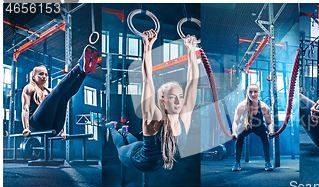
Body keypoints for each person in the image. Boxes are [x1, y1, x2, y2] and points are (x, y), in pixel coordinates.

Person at [107, 30, 199, 172]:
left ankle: (125, 131)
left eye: (180, 96)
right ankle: (113, 128)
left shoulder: (184, 118)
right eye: (172, 97)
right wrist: (147, 47)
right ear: (162, 101)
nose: (178, 101)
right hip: (134, 158)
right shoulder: (154, 119)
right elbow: (147, 79)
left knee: (134, 140)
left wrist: (191, 50)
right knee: (120, 145)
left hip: (143, 146)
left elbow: (193, 83)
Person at [22, 45, 98, 138]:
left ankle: (83, 73)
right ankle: (79, 67)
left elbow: (55, 111)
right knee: (57, 93)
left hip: (53, 128)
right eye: (41, 74)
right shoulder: (29, 88)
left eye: (46, 75)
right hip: (36, 126)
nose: (44, 77)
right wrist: (26, 128)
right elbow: (25, 108)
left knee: (64, 97)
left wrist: (62, 132)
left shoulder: (48, 91)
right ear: (33, 77)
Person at [231, 84, 274, 171]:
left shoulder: (264, 107)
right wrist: (234, 132)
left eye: (255, 92)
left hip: (258, 126)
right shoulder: (241, 106)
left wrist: (271, 131)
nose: (253, 94)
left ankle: (267, 162)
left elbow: (269, 123)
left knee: (265, 137)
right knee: (239, 137)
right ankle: (237, 162)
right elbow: (235, 122)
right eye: (250, 92)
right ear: (247, 93)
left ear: (259, 93)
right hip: (246, 125)